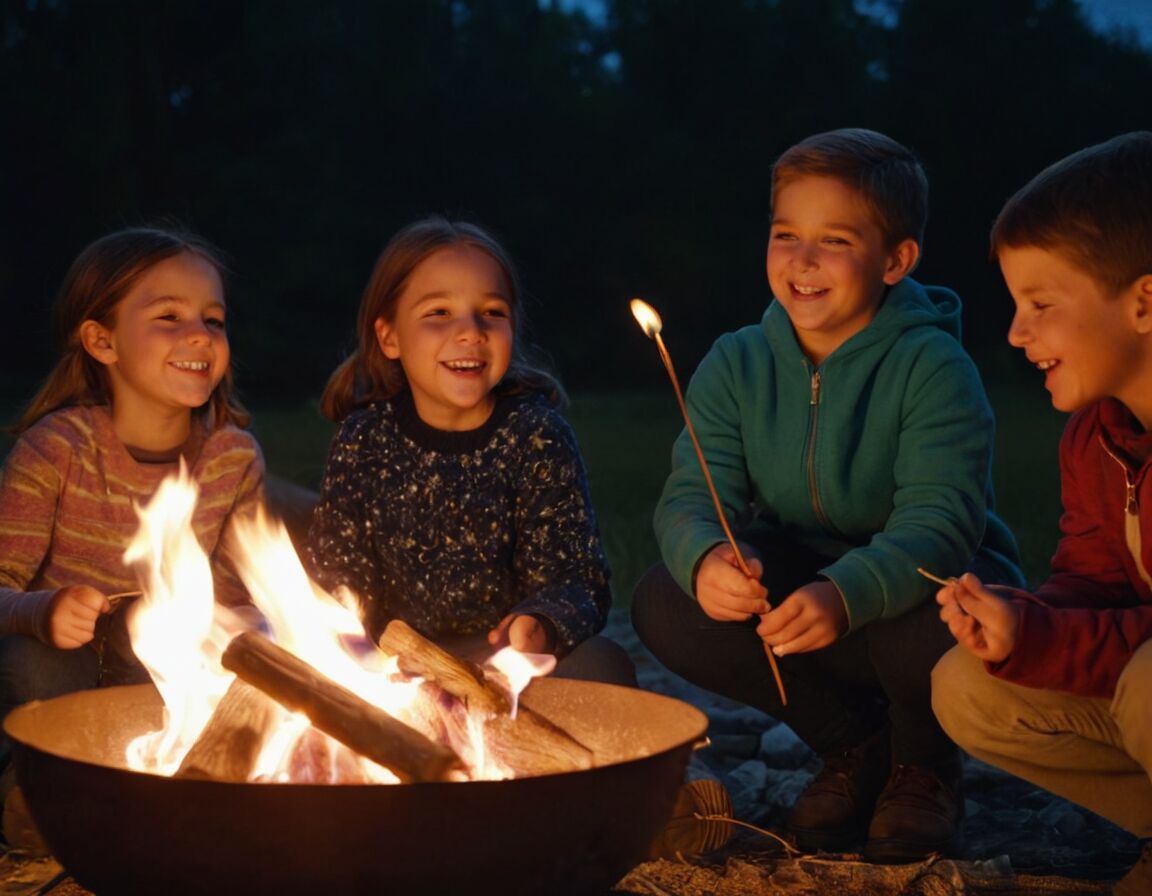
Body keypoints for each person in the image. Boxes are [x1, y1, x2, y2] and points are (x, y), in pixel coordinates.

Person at [631, 128, 1023, 863]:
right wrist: (711, 554)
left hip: (918, 595)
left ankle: (922, 764)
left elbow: (941, 523)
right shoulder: (738, 362)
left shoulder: (933, 365)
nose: (802, 261)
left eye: (834, 240)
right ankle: (856, 746)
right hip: (802, 586)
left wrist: (847, 592)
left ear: (896, 260)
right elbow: (691, 494)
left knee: (931, 621)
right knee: (667, 599)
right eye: (785, 234)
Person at [931, 132, 1152, 895]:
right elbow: (1090, 583)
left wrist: (1046, 636)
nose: (1018, 332)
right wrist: (1016, 621)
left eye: (1041, 305)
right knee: (969, 682)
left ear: (1144, 303)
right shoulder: (1096, 437)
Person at [0, 226, 265, 829]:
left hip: (158, 663)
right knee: (37, 666)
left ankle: (196, 785)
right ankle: (39, 792)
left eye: (214, 319)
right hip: (57, 664)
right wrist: (41, 611)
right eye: (169, 316)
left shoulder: (231, 456)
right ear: (101, 340)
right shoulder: (58, 450)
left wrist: (247, 619)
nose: (200, 334)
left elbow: (232, 591)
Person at [306, 215, 634, 686]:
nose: (471, 331)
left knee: (603, 665)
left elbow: (577, 578)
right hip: (393, 672)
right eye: (439, 313)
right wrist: (354, 648)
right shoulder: (365, 441)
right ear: (389, 336)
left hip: (507, 669)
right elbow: (337, 574)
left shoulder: (536, 436)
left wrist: (542, 623)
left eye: (492, 312)